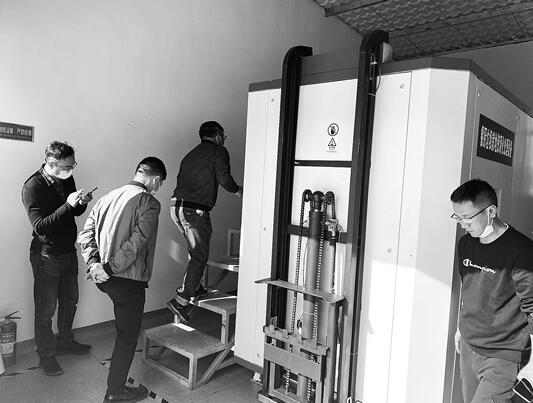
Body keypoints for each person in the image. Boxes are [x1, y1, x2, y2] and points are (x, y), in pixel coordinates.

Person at [78, 157, 165, 403]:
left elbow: (85, 235)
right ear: (155, 179)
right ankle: (115, 391)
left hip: (104, 278)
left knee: (122, 330)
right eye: (160, 183)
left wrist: (94, 264)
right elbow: (137, 243)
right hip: (127, 280)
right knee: (127, 335)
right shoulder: (149, 202)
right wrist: (108, 267)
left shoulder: (106, 197)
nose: (158, 188)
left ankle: (116, 386)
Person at [451, 178, 533, 403]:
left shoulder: (523, 251)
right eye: (457, 217)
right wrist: (460, 328)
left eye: (467, 217)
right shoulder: (466, 244)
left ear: (491, 212)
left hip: (503, 355)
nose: (462, 224)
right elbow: (467, 287)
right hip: (469, 345)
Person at [22, 141, 93, 376]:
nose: (70, 171)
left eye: (72, 166)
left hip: (68, 251)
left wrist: (81, 204)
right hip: (47, 255)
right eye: (66, 167)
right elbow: (41, 226)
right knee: (45, 310)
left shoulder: (66, 177)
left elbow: (73, 212)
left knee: (70, 301)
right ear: (51, 164)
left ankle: (65, 341)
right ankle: (46, 355)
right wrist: (68, 205)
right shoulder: (33, 186)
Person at [167, 121, 242, 321]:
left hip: (176, 207)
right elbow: (224, 179)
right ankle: (181, 300)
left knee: (195, 251)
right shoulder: (218, 151)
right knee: (200, 256)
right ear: (217, 136)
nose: (224, 140)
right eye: (223, 136)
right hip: (194, 210)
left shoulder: (191, 154)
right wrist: (238, 191)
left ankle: (195, 287)